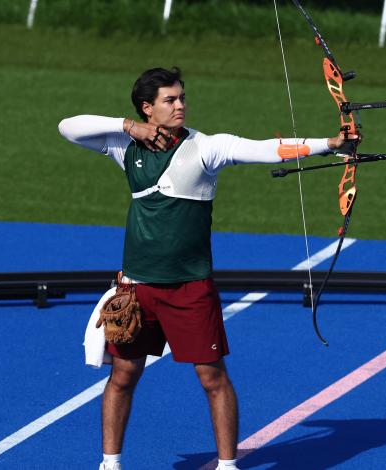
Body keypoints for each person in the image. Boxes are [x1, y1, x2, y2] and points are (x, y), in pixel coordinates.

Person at [58, 66, 353, 470]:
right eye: (170, 100)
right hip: (137, 288)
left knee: (213, 378)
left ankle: (228, 465)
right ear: (148, 108)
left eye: (181, 97)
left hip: (189, 289)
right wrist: (129, 127)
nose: (181, 105)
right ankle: (110, 464)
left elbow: (268, 147)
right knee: (122, 377)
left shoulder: (207, 147)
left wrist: (329, 143)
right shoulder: (123, 145)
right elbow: (67, 127)